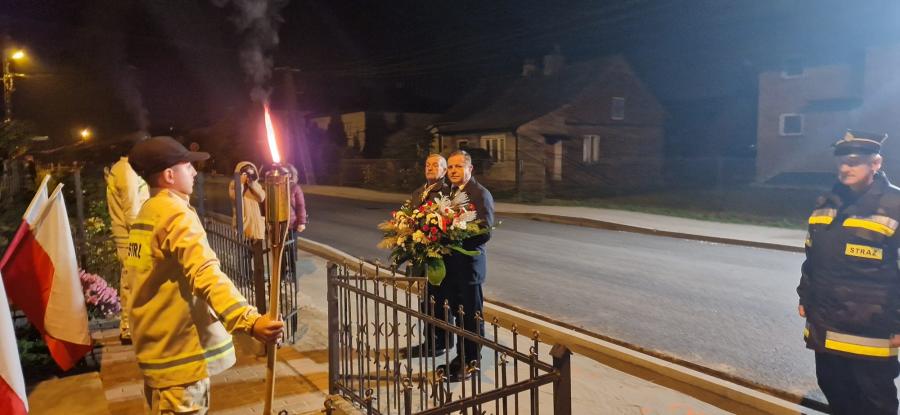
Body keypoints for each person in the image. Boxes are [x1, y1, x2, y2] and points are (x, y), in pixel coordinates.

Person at [126, 136, 283, 415]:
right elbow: (205, 273)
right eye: (188, 166)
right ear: (169, 175)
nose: (194, 173)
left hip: (158, 353)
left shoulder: (148, 212)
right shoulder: (175, 215)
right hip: (181, 360)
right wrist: (249, 320)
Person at [798, 130, 900, 415]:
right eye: (841, 161)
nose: (845, 168)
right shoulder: (826, 204)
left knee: (874, 400)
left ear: (875, 163)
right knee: (834, 389)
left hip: (872, 328)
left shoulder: (895, 205)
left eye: (854, 162)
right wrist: (805, 295)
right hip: (826, 322)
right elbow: (813, 257)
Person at [436, 150, 494, 381]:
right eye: (450, 167)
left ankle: (471, 362)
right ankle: (460, 358)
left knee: (470, 317)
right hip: (452, 267)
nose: (453, 171)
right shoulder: (450, 192)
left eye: (458, 166)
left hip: (469, 266)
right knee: (458, 315)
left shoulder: (479, 193)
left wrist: (455, 241)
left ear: (470, 168)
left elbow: (485, 231)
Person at [400, 154, 452, 358]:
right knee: (425, 302)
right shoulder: (418, 192)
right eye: (427, 165)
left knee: (438, 301)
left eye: (435, 165)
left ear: (444, 170)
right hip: (421, 254)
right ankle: (430, 341)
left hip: (438, 257)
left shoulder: (447, 192)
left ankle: (439, 343)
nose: (430, 168)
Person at [105, 142, 150, 344]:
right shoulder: (127, 172)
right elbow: (131, 210)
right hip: (133, 237)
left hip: (129, 236)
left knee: (130, 281)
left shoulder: (122, 169)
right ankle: (129, 328)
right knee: (132, 281)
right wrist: (143, 234)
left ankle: (129, 326)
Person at [228, 161, 266, 240]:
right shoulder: (233, 184)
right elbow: (235, 197)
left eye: (250, 174)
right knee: (243, 246)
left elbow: (262, 198)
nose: (248, 176)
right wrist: (241, 183)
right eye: (245, 174)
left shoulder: (255, 185)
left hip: (256, 225)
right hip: (243, 224)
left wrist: (252, 185)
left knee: (257, 246)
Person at [286, 164, 308, 234]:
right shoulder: (275, 186)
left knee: (291, 241)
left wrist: (301, 222)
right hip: (277, 224)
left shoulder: (295, 188)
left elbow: (300, 205)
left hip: (291, 225)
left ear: (290, 175)